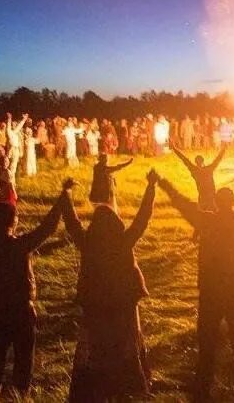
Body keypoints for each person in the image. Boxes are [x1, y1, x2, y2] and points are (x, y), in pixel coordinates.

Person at [158, 170, 234, 398]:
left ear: (217, 203)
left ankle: (204, 379)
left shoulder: (206, 220)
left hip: (211, 288)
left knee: (207, 335)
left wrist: (164, 183)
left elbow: (183, 204)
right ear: (233, 203)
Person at [63, 169, 158, 401]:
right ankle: (125, 387)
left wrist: (65, 194)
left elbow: (72, 222)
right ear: (115, 224)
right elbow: (142, 219)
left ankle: (98, 389)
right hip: (122, 304)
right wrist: (150, 187)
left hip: (95, 305)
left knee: (97, 347)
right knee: (126, 343)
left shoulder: (88, 243)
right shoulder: (123, 241)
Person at [0, 180, 71, 403]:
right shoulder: (20, 245)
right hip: (21, 310)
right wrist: (62, 196)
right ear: (15, 221)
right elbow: (47, 227)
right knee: (23, 356)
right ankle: (20, 397)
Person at [171, 141, 226, 209]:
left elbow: (184, 159)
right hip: (211, 198)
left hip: (203, 197)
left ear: (196, 162)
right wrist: (223, 149)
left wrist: (174, 148)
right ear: (203, 162)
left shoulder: (195, 170)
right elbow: (218, 159)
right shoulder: (208, 169)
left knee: (203, 215)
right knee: (214, 215)